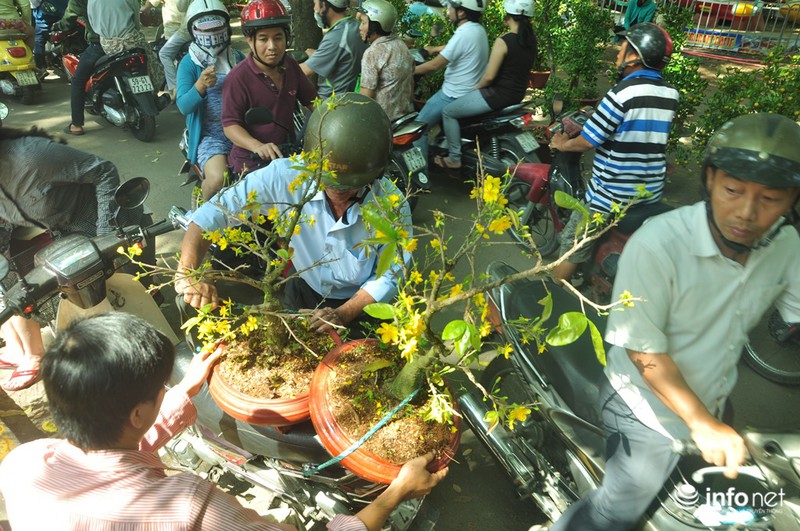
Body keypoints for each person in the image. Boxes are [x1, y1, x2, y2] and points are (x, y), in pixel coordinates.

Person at [549, 112, 800, 530]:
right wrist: (701, 422)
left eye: (771, 199)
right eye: (733, 190)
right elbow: (642, 349)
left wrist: (707, 419)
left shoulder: (787, 245)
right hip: (643, 408)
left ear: (792, 200)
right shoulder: (659, 243)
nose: (747, 212)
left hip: (714, 398)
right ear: (711, 179)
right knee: (616, 510)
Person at [0, 312, 448, 529]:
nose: (166, 390)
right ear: (138, 412)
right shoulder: (188, 506)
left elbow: (118, 452)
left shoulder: (24, 464)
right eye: (161, 387)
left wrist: (182, 392)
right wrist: (394, 494)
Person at [177, 93, 411, 336]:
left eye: (349, 186)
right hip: (303, 288)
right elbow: (214, 212)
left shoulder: (391, 205)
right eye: (328, 182)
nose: (337, 192)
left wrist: (344, 312)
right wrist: (188, 272)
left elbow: (390, 275)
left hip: (362, 302)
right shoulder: (284, 177)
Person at [0, 125, 143, 391]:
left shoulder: (31, 157)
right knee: (93, 305)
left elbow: (105, 170)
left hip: (105, 221)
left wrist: (105, 236)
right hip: (66, 233)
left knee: (130, 296)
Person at [549, 22, 679, 284]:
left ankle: (552, 293)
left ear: (634, 57)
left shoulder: (620, 94)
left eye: (622, 47)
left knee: (570, 249)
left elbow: (588, 140)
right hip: (650, 192)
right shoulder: (670, 95)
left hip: (610, 197)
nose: (618, 52)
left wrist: (562, 144)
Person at [436, 0, 536, 170]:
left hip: (496, 95)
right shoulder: (532, 41)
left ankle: (454, 158)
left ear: (508, 16)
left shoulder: (504, 40)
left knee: (448, 112)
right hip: (517, 95)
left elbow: (489, 77)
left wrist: (476, 87)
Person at [221, 0, 317, 177]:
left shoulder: (290, 65)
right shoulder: (237, 78)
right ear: (250, 41)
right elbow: (230, 125)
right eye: (264, 39)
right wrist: (257, 146)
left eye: (278, 38)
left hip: (288, 156)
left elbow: (314, 102)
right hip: (252, 164)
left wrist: (335, 117)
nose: (272, 46)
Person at [177, 0, 245, 201]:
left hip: (242, 130)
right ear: (193, 30)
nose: (213, 34)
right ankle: (201, 215)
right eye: (206, 29)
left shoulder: (238, 57)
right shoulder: (189, 63)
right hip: (211, 137)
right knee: (217, 179)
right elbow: (183, 106)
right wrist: (200, 86)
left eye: (217, 27)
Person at [411, 0, 488, 175]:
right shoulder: (477, 30)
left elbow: (433, 66)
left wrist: (409, 71)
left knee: (418, 128)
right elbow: (455, 47)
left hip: (453, 94)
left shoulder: (463, 34)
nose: (448, 10)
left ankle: (419, 177)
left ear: (461, 13)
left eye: (450, 7)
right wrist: (432, 49)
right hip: (471, 91)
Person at [87, 0, 167, 99]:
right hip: (132, 41)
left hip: (109, 45)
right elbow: (137, 23)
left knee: (79, 79)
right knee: (152, 63)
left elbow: (92, 23)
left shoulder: (91, 1)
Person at [356, 0, 414, 121]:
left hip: (381, 121)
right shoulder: (401, 45)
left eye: (363, 23)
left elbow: (366, 97)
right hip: (404, 116)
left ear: (374, 26)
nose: (360, 27)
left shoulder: (372, 53)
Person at [300, 0, 367, 99]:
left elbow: (303, 71)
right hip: (348, 98)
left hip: (330, 103)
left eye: (315, 4)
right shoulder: (354, 26)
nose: (315, 10)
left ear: (324, 4)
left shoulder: (336, 37)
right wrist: (317, 54)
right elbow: (341, 55)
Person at [55, 0, 103, 136]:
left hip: (100, 44)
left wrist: (61, 25)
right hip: (130, 41)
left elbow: (69, 18)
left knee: (78, 81)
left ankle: (76, 125)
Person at [141, 0, 191, 98]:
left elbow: (150, 3)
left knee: (163, 54)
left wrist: (144, 9)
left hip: (175, 31)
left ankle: (173, 87)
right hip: (193, 27)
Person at [30, 0, 68, 71]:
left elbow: (34, 3)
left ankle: (40, 68)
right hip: (66, 14)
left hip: (46, 17)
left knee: (38, 41)